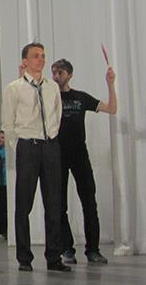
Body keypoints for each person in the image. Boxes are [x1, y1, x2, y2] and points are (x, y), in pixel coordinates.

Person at [1, 42, 70, 272]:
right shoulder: (14, 88)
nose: (41, 59)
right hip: (28, 146)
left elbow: (57, 114)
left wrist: (52, 136)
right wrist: (19, 146)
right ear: (25, 61)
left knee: (54, 203)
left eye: (42, 55)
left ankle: (54, 256)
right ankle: (24, 258)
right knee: (24, 204)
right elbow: (7, 123)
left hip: (50, 146)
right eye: (36, 56)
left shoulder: (51, 87)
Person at [51, 58, 115, 265]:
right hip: (57, 154)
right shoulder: (49, 97)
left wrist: (110, 84)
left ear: (69, 75)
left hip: (79, 154)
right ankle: (67, 249)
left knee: (89, 202)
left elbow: (112, 108)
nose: (56, 76)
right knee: (59, 205)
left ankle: (93, 250)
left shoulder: (81, 97)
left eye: (60, 72)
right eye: (53, 72)